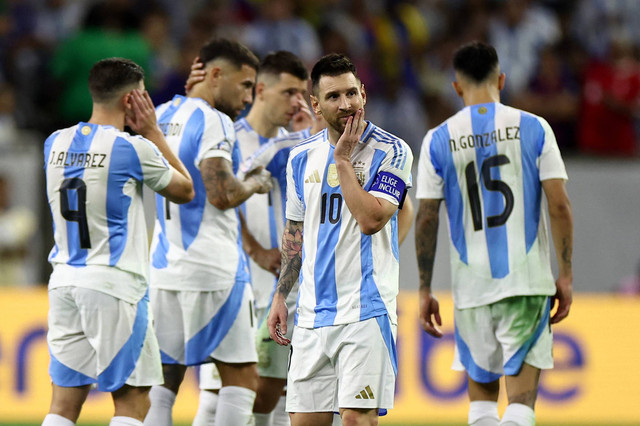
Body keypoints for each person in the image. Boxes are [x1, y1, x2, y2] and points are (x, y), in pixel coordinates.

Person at [414, 41, 573, 426]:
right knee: (520, 404)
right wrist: (565, 273)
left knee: (481, 405)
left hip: (471, 290)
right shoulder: (534, 128)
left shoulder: (438, 139)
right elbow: (559, 205)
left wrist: (424, 288)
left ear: (456, 87)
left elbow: (427, 219)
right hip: (526, 283)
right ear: (501, 79)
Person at [42, 57, 194, 426]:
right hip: (114, 285)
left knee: (63, 405)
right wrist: (154, 132)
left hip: (63, 281)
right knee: (133, 402)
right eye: (143, 97)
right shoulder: (131, 149)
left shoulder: (53, 143)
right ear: (130, 101)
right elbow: (185, 189)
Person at [267, 53, 413, 426]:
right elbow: (295, 232)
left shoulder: (391, 151)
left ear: (364, 93)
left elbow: (371, 219)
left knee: (355, 420)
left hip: (365, 311)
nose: (346, 104)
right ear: (315, 104)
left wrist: (343, 161)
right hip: (313, 316)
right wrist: (281, 295)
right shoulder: (300, 158)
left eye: (352, 93)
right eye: (333, 97)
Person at [144, 38, 271, 426]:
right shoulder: (215, 121)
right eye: (246, 85)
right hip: (212, 268)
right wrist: (252, 183)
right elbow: (220, 193)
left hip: (164, 268)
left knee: (164, 381)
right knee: (241, 377)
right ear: (215, 75)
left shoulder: (162, 115)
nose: (249, 97)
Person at [193, 49, 315, 426]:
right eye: (289, 92)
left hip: (285, 288)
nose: (297, 101)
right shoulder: (229, 135)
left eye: (302, 93)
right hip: (238, 281)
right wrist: (254, 248)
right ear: (260, 90)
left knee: (279, 393)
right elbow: (218, 198)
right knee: (219, 395)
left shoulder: (296, 143)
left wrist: (308, 139)